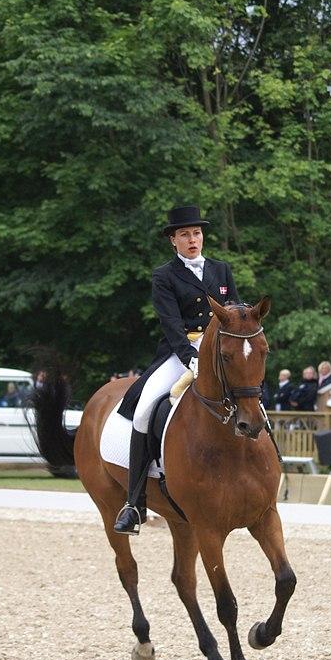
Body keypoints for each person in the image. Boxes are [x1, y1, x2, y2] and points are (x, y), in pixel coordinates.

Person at [114, 205, 239, 534]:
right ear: (173, 240)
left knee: (249, 394)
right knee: (143, 412)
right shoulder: (164, 276)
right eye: (184, 234)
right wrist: (190, 357)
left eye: (196, 233)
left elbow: (236, 314)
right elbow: (170, 323)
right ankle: (134, 502)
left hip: (219, 352)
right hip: (178, 353)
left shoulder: (221, 270)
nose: (192, 239)